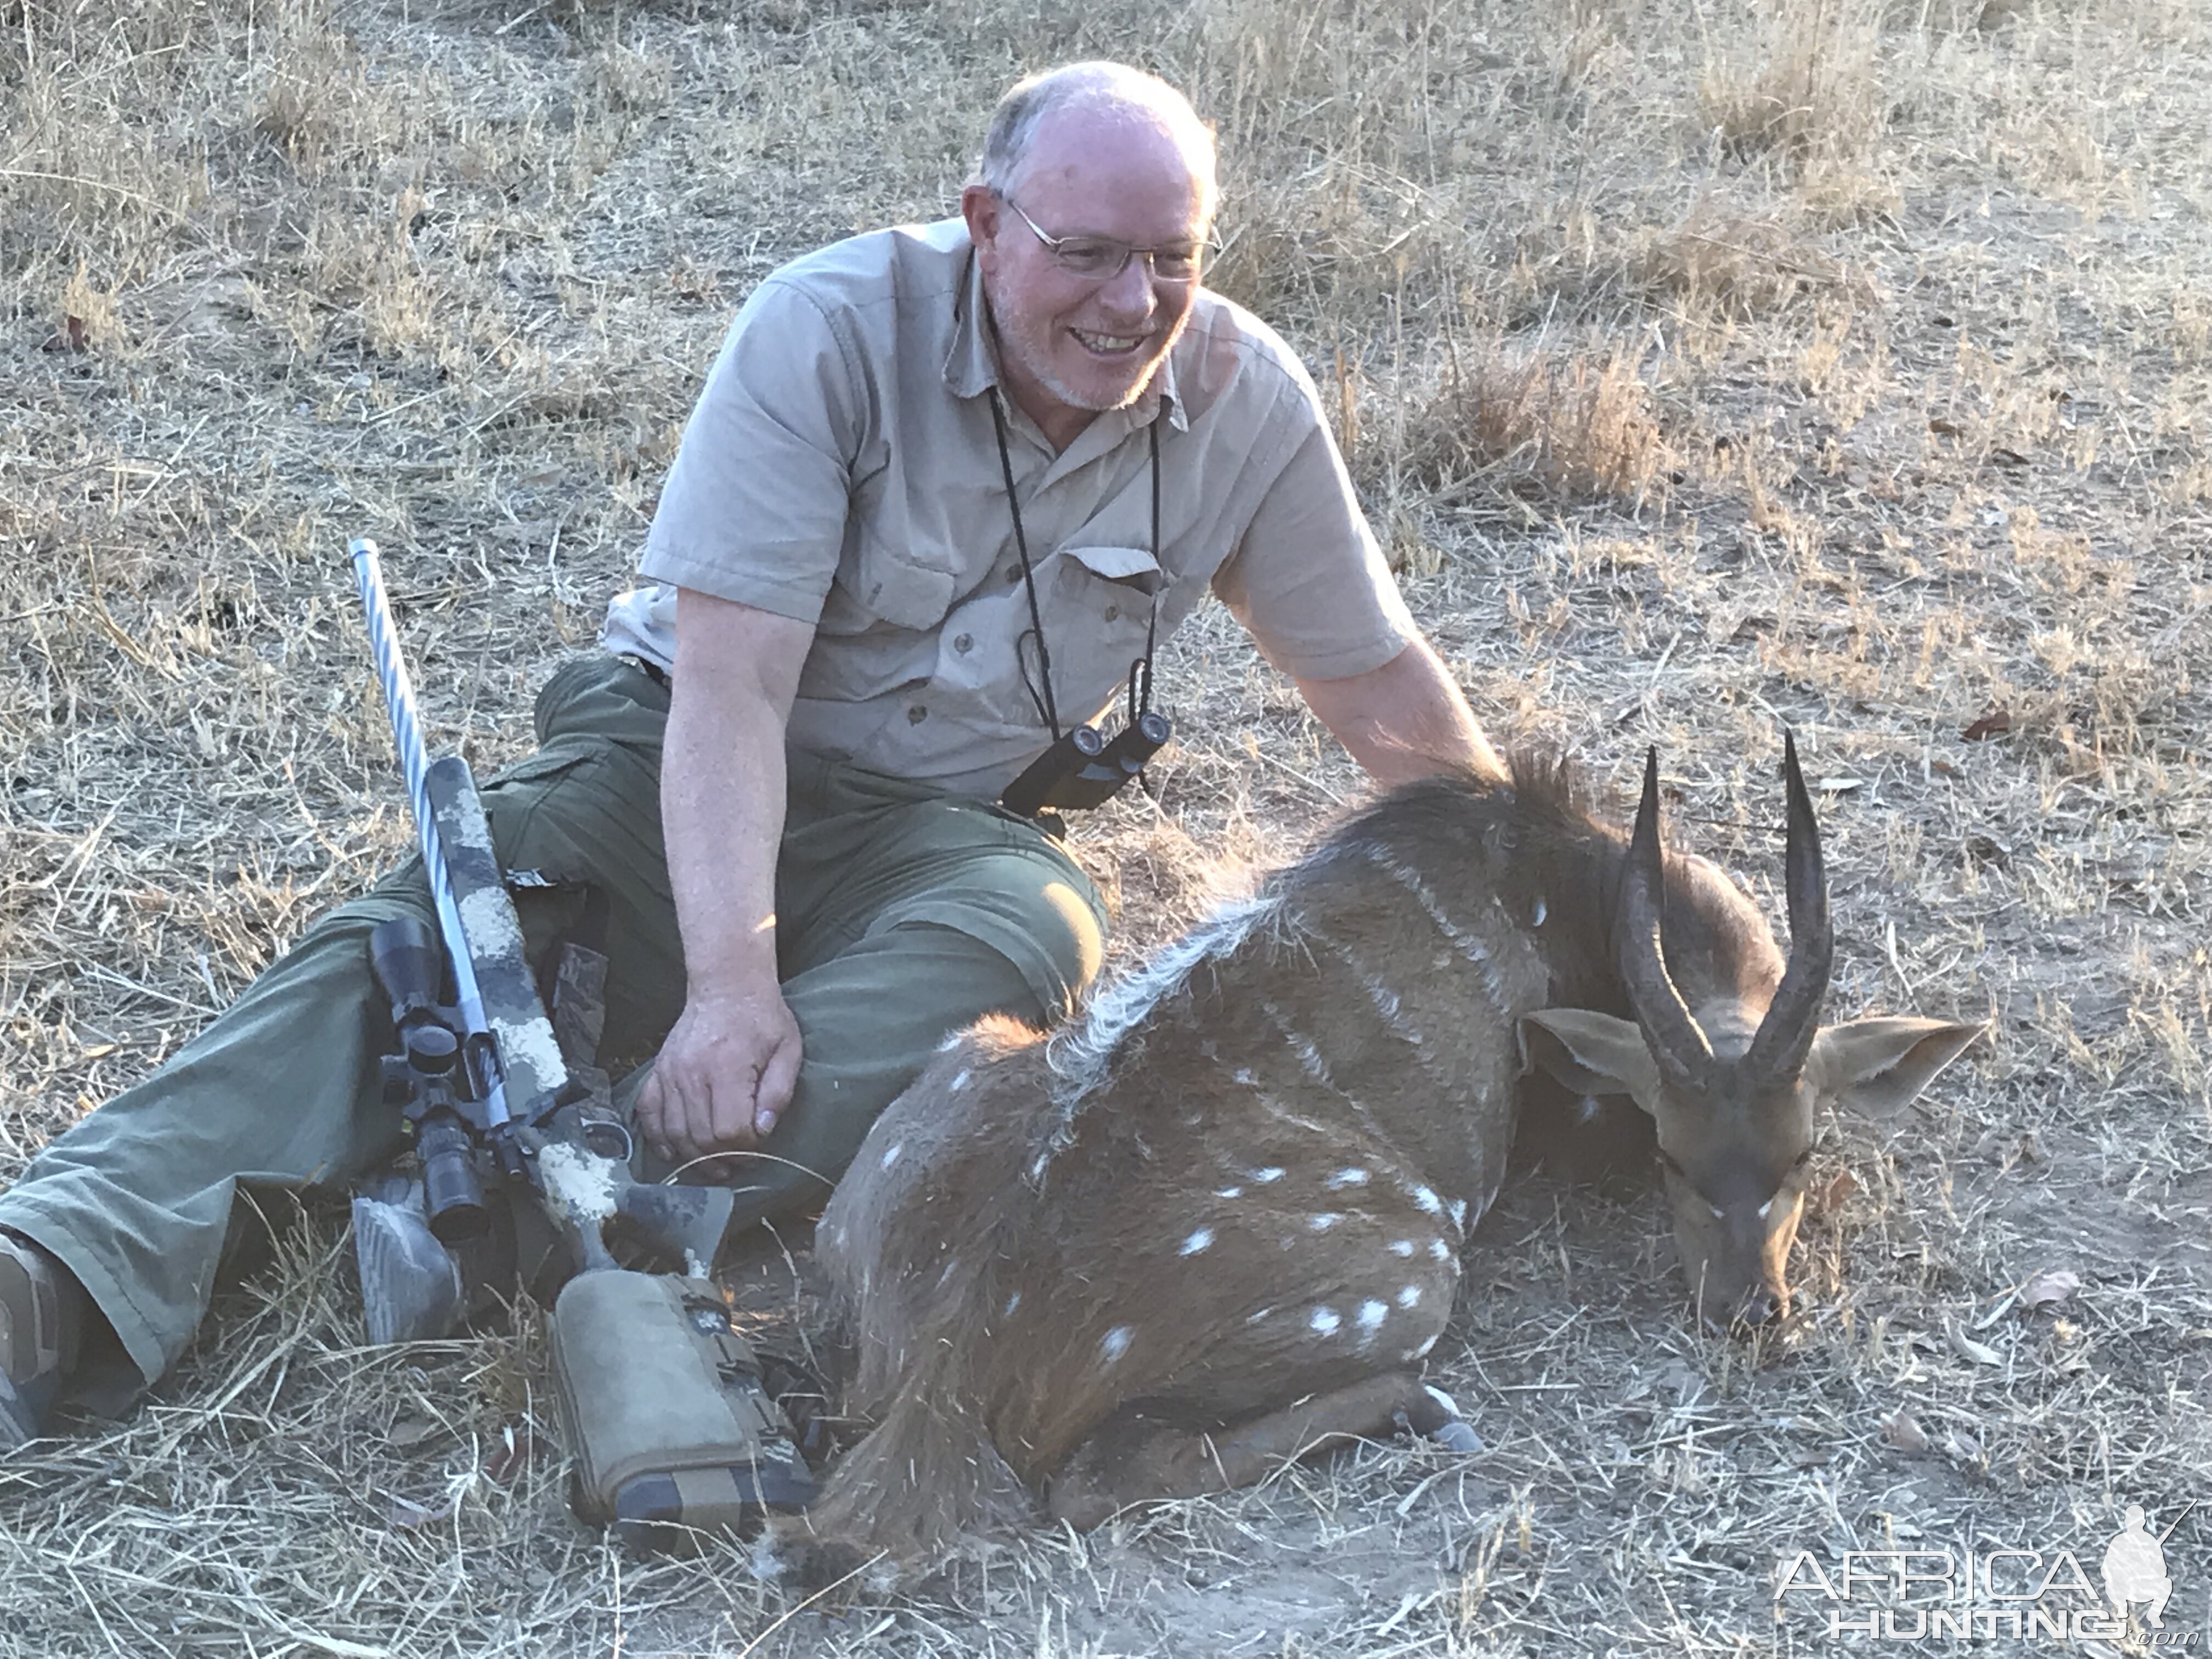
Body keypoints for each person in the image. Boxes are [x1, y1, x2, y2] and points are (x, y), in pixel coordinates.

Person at [0, 60, 1503, 1449]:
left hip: (937, 824)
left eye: (1176, 256)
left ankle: (525, 1226)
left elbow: (1371, 683)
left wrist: (1542, 887)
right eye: (1092, 251)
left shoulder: (1247, 399)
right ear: (987, 223)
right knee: (419, 945)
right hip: (672, 748)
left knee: (1037, 921)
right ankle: (58, 1266)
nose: (1137, 299)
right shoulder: (827, 325)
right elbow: (729, 689)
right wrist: (731, 987)